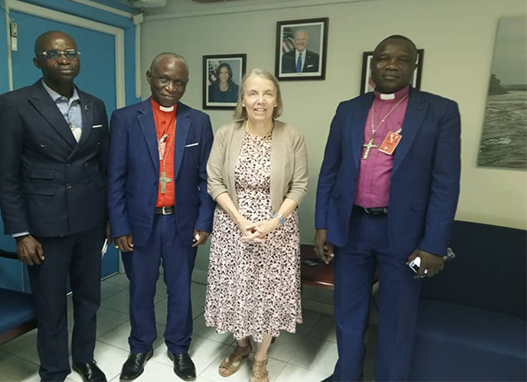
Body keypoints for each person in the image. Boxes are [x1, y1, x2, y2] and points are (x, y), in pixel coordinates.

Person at [314, 35, 461, 382]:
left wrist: (434, 245)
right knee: (348, 312)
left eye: (402, 59)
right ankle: (347, 375)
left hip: (405, 234)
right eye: (384, 58)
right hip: (352, 228)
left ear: (414, 65)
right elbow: (330, 171)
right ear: (373, 63)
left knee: (397, 319)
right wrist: (323, 224)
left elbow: (445, 184)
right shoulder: (348, 109)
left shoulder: (440, 111)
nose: (392, 65)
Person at [0, 31, 109, 382]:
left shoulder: (95, 105)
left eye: (70, 52)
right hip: (44, 227)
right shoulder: (14, 104)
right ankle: (54, 370)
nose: (63, 59)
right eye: (53, 54)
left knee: (89, 299)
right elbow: (7, 176)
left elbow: (102, 167)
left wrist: (108, 219)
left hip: (90, 223)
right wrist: (21, 232)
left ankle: (84, 359)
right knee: (51, 304)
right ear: (37, 62)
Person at [108, 53, 215, 381]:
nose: (171, 88)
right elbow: (115, 177)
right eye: (164, 79)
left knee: (180, 288)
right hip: (139, 222)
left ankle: (179, 347)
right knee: (140, 288)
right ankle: (140, 346)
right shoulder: (125, 118)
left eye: (179, 82)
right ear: (149, 76)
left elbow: (207, 178)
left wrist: (204, 222)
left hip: (181, 221)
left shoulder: (198, 121)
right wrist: (119, 225)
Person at [205, 69, 308, 382]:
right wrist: (241, 221)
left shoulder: (292, 135)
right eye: (252, 93)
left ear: (277, 100)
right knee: (236, 289)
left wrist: (274, 222)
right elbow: (214, 181)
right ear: (242, 100)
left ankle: (261, 357)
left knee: (269, 294)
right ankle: (241, 346)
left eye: (267, 93)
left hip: (277, 229)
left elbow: (299, 186)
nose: (260, 100)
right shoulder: (226, 133)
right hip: (233, 227)